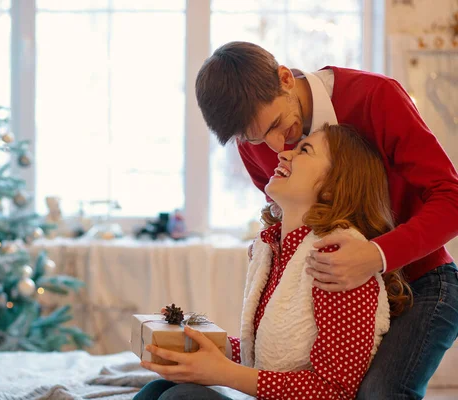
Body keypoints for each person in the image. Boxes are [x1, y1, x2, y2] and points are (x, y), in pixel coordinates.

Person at [194, 41, 458, 399]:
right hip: (337, 287)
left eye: (276, 125)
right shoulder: (254, 142)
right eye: (257, 138)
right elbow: (295, 222)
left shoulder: (375, 97)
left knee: (379, 393)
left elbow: (451, 198)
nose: (276, 148)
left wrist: (374, 256)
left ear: (285, 79)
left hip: (422, 281)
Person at [135, 124, 413, 400]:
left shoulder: (339, 260)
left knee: (182, 398)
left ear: (333, 185)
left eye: (305, 150)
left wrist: (223, 373)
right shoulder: (274, 250)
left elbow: (335, 391)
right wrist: (205, 344)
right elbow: (267, 354)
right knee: (159, 390)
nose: (284, 154)